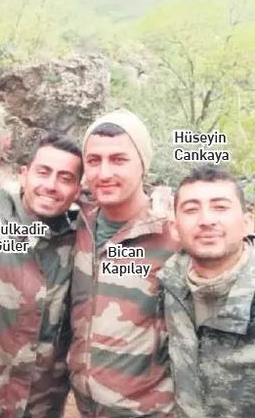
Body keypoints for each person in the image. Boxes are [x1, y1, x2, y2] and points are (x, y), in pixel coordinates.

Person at [0, 134, 82, 418]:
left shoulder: (80, 247)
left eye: (65, 178)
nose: (51, 185)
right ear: (23, 175)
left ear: (78, 190)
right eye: (43, 172)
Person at [68, 109, 179, 416]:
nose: (104, 173)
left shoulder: (172, 232)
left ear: (143, 164)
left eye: (119, 160)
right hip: (86, 405)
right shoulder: (77, 224)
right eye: (94, 161)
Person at [159, 164, 255, 418]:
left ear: (247, 222)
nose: (206, 220)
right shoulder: (169, 282)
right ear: (174, 228)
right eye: (191, 210)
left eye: (220, 207)